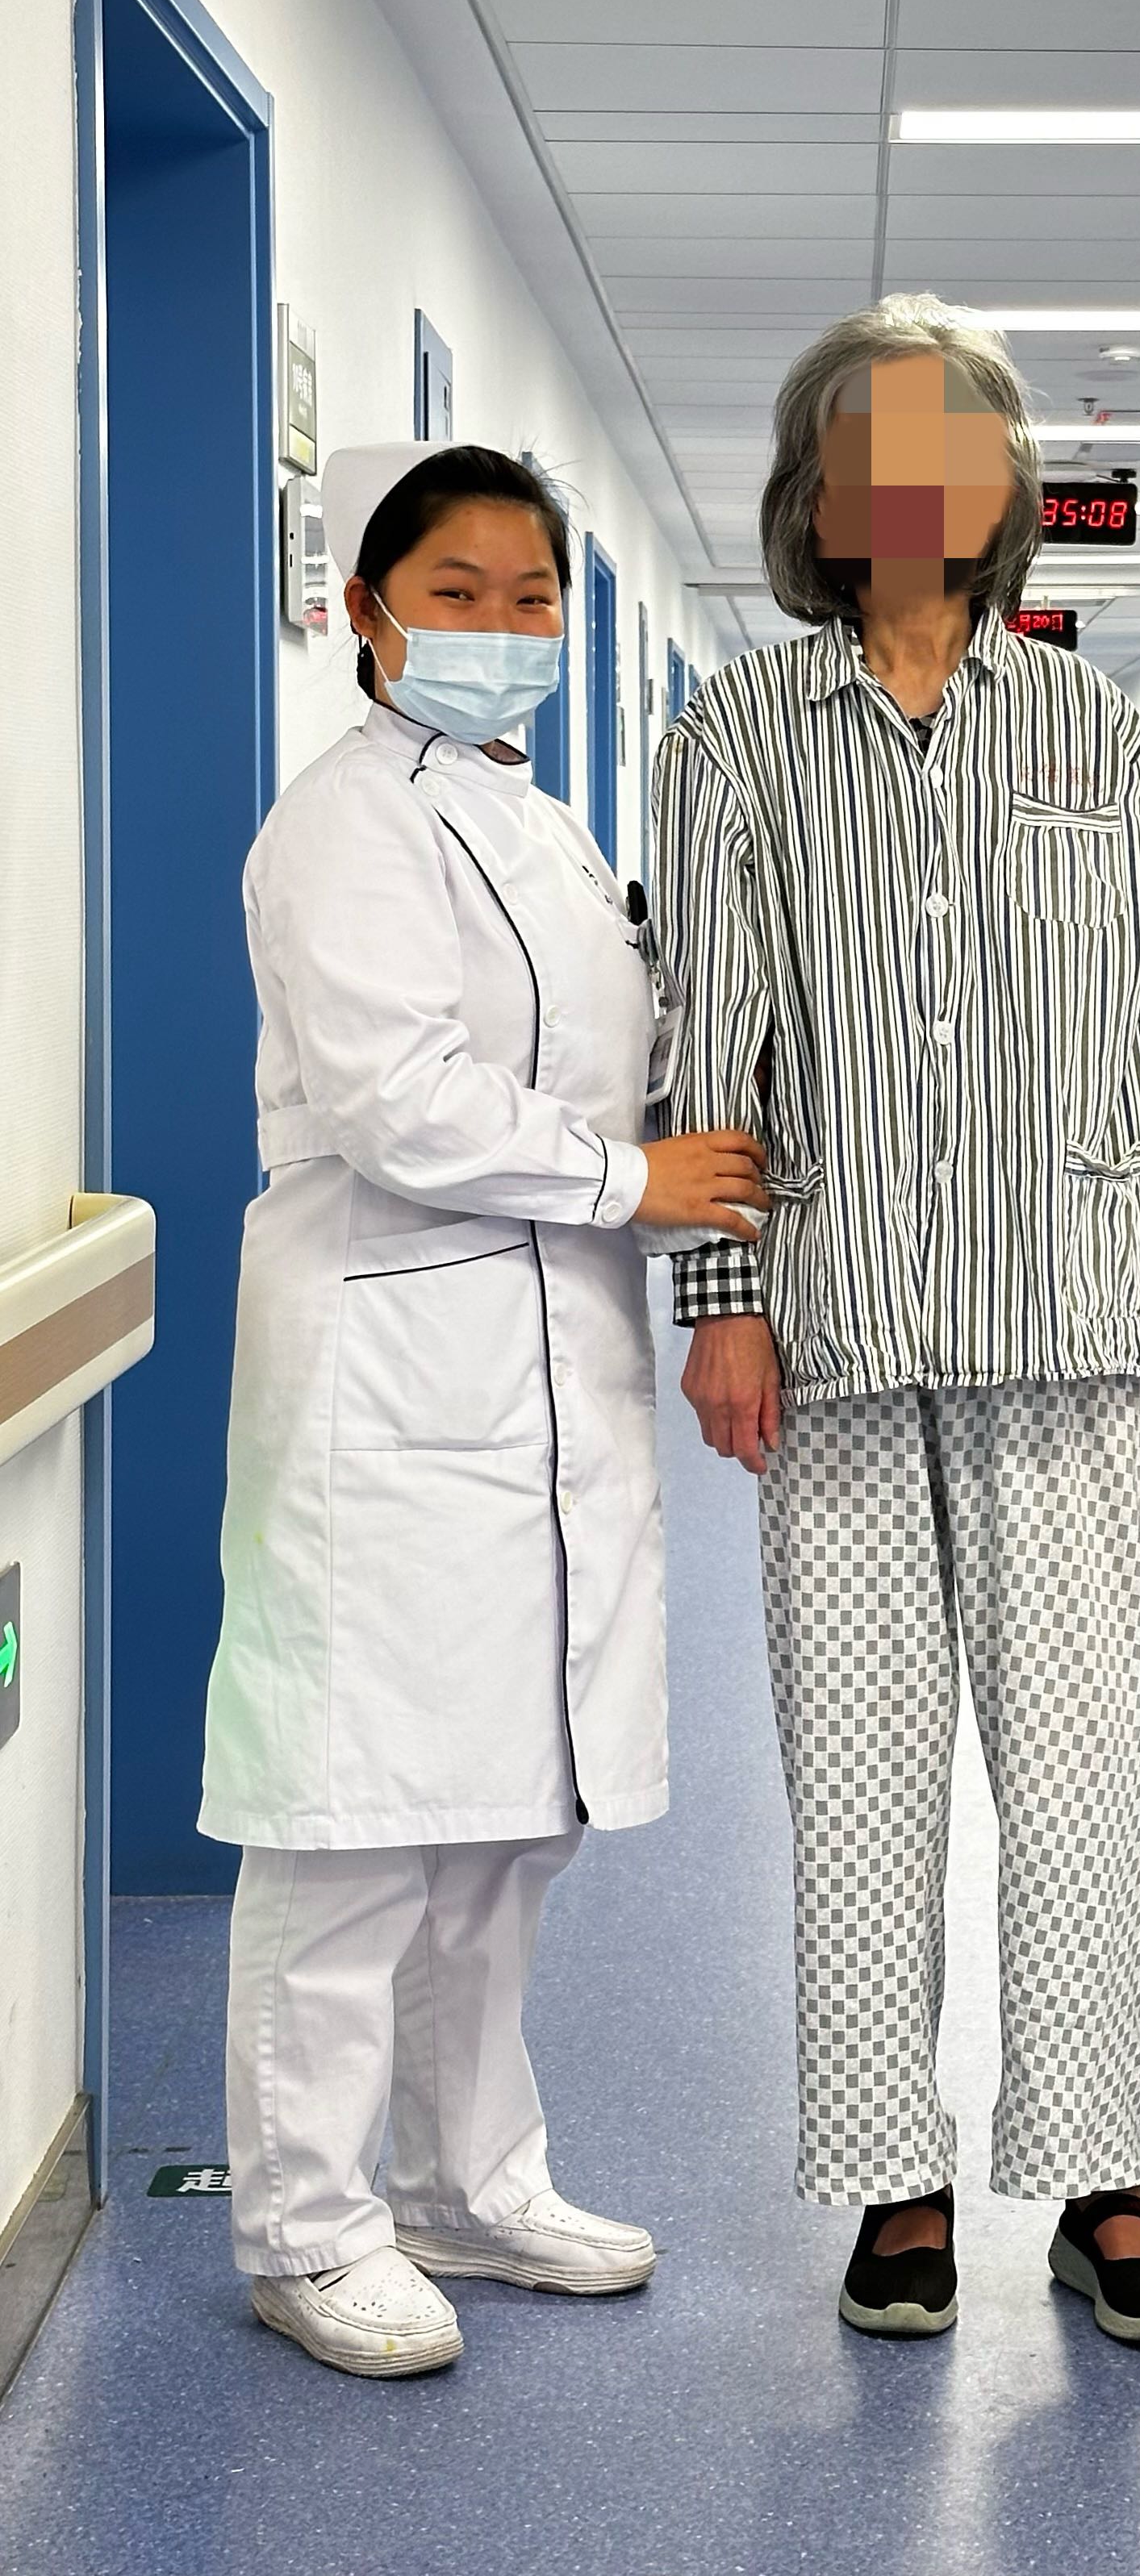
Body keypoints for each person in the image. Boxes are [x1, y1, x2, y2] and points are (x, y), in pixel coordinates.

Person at [650, 297, 1140, 2350]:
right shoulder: (737, 731)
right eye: (873, 444)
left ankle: (1099, 2180)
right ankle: (893, 2177)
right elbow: (709, 1037)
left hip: (1072, 1320)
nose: (915, 481)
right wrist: (723, 1303)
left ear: (1004, 490)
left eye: (953, 445)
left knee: (1082, 1771)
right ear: (816, 487)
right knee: (861, 1777)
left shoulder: (1092, 730)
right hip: (835, 1328)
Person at [200, 440, 767, 2378]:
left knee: (507, 1818)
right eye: (458, 591)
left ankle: (467, 2182)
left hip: (543, 1378)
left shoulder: (543, 827)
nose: (504, 626)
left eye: (534, 597)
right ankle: (307, 2224)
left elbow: (624, 1060)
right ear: (369, 610)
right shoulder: (343, 825)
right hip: (384, 1377)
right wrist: (634, 1181)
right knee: (354, 1822)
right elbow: (397, 1102)